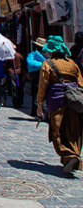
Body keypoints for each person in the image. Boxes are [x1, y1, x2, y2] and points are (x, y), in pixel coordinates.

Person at [37, 36, 83, 174]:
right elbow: (81, 83)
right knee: (74, 130)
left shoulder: (48, 64)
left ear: (51, 51)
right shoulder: (72, 64)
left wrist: (40, 104)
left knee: (57, 130)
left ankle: (69, 156)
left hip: (57, 102)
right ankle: (73, 156)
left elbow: (43, 85)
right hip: (74, 101)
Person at [27, 37, 47, 116]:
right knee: (35, 94)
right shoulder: (32, 54)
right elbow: (31, 63)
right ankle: (35, 110)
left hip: (45, 76)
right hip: (36, 76)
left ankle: (44, 111)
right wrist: (44, 64)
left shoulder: (48, 54)